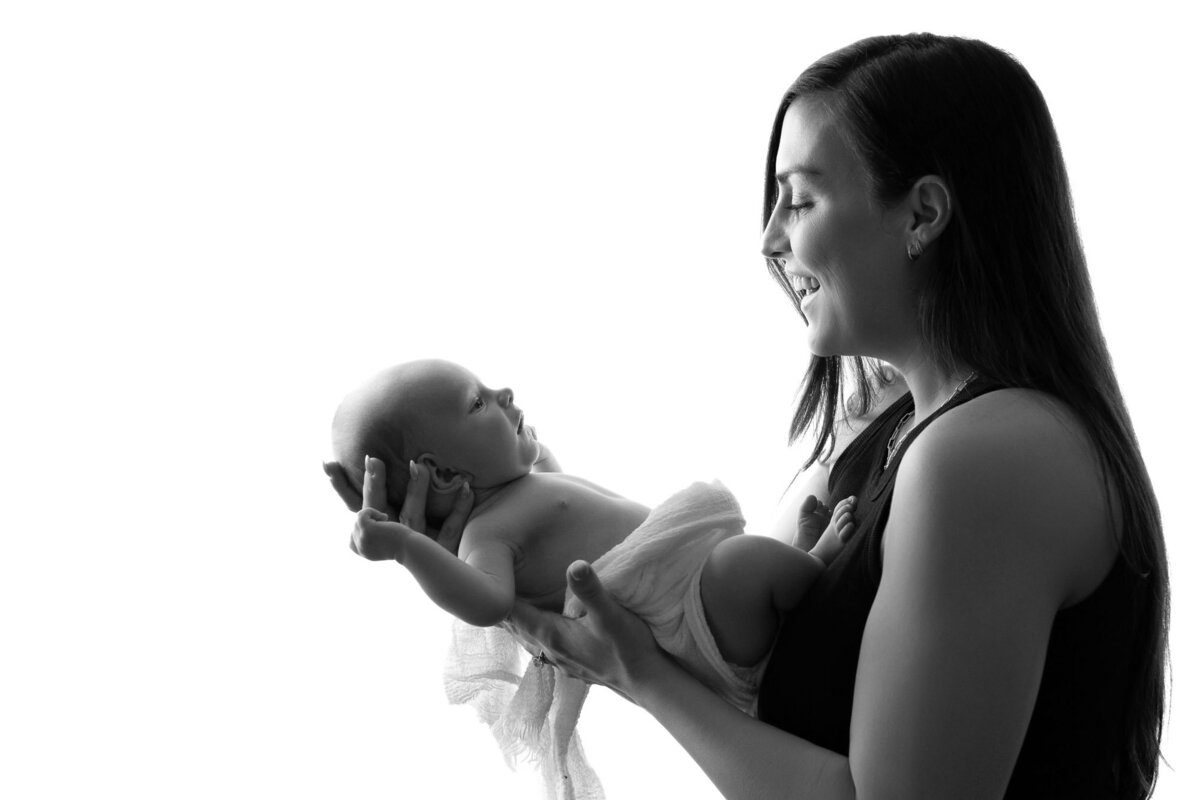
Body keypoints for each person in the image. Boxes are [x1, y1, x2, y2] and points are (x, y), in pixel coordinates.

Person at [494, 34, 1168, 800]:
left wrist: (640, 676)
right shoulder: (893, 435)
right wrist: (501, 497)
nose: (770, 238)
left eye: (802, 199)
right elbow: (718, 633)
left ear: (922, 213)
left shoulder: (988, 458)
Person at [325, 358, 856, 797]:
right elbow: (488, 602)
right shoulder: (486, 533)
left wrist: (517, 443)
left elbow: (553, 483)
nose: (505, 391)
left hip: (694, 596)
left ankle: (801, 563)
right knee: (743, 566)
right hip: (690, 619)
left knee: (747, 567)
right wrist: (407, 548)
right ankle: (816, 561)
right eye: (478, 401)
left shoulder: (522, 488)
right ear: (441, 473)